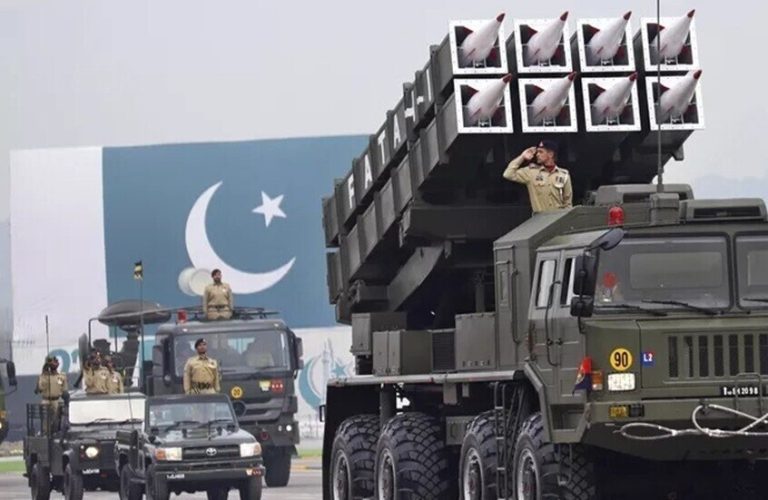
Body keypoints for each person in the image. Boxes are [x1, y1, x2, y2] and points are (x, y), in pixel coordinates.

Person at [502, 140, 573, 213]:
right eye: (537, 152)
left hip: (558, 217)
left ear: (550, 154)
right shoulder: (531, 172)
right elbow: (508, 174)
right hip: (540, 218)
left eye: (541, 152)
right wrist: (522, 157)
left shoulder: (563, 174)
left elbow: (568, 203)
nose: (537, 154)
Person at [34, 356, 68, 433]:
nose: (53, 364)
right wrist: (45, 374)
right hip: (46, 399)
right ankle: (46, 432)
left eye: (55, 361)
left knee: (57, 418)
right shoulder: (43, 376)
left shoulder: (61, 376)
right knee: (45, 419)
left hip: (56, 400)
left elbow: (64, 390)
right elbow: (40, 388)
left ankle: (57, 431)